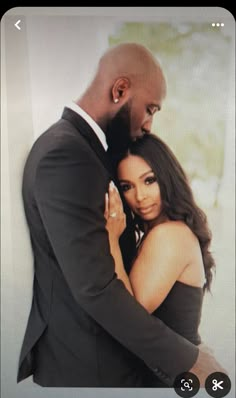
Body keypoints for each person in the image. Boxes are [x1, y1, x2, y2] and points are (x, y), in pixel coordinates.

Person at [17, 42, 224, 387]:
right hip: (91, 371)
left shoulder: (81, 150)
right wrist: (189, 359)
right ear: (120, 90)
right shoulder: (68, 155)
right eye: (150, 108)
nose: (149, 124)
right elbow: (96, 288)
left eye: (149, 180)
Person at [104, 133, 221, 386]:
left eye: (149, 180)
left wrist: (111, 240)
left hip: (174, 377)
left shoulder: (168, 234)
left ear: (167, 177)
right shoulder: (162, 233)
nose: (140, 196)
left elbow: (129, 314)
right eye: (127, 186)